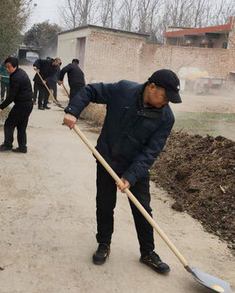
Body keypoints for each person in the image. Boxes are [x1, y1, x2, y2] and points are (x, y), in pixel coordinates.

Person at [63, 69, 182, 273]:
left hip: (136, 166)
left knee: (143, 209)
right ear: (151, 87)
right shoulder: (123, 90)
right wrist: (73, 110)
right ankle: (104, 243)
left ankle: (148, 252)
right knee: (105, 203)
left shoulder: (165, 117)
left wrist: (131, 176)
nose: (167, 102)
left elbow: (151, 151)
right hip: (107, 158)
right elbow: (90, 91)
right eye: (165, 96)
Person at [0, 57, 33, 153]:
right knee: (21, 126)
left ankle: (7, 145)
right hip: (28, 104)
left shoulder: (16, 78)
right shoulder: (19, 72)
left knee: (9, 124)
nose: (7, 69)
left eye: (9, 67)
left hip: (22, 105)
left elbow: (11, 96)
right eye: (6, 67)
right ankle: (22, 147)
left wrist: (1, 106)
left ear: (15, 67)